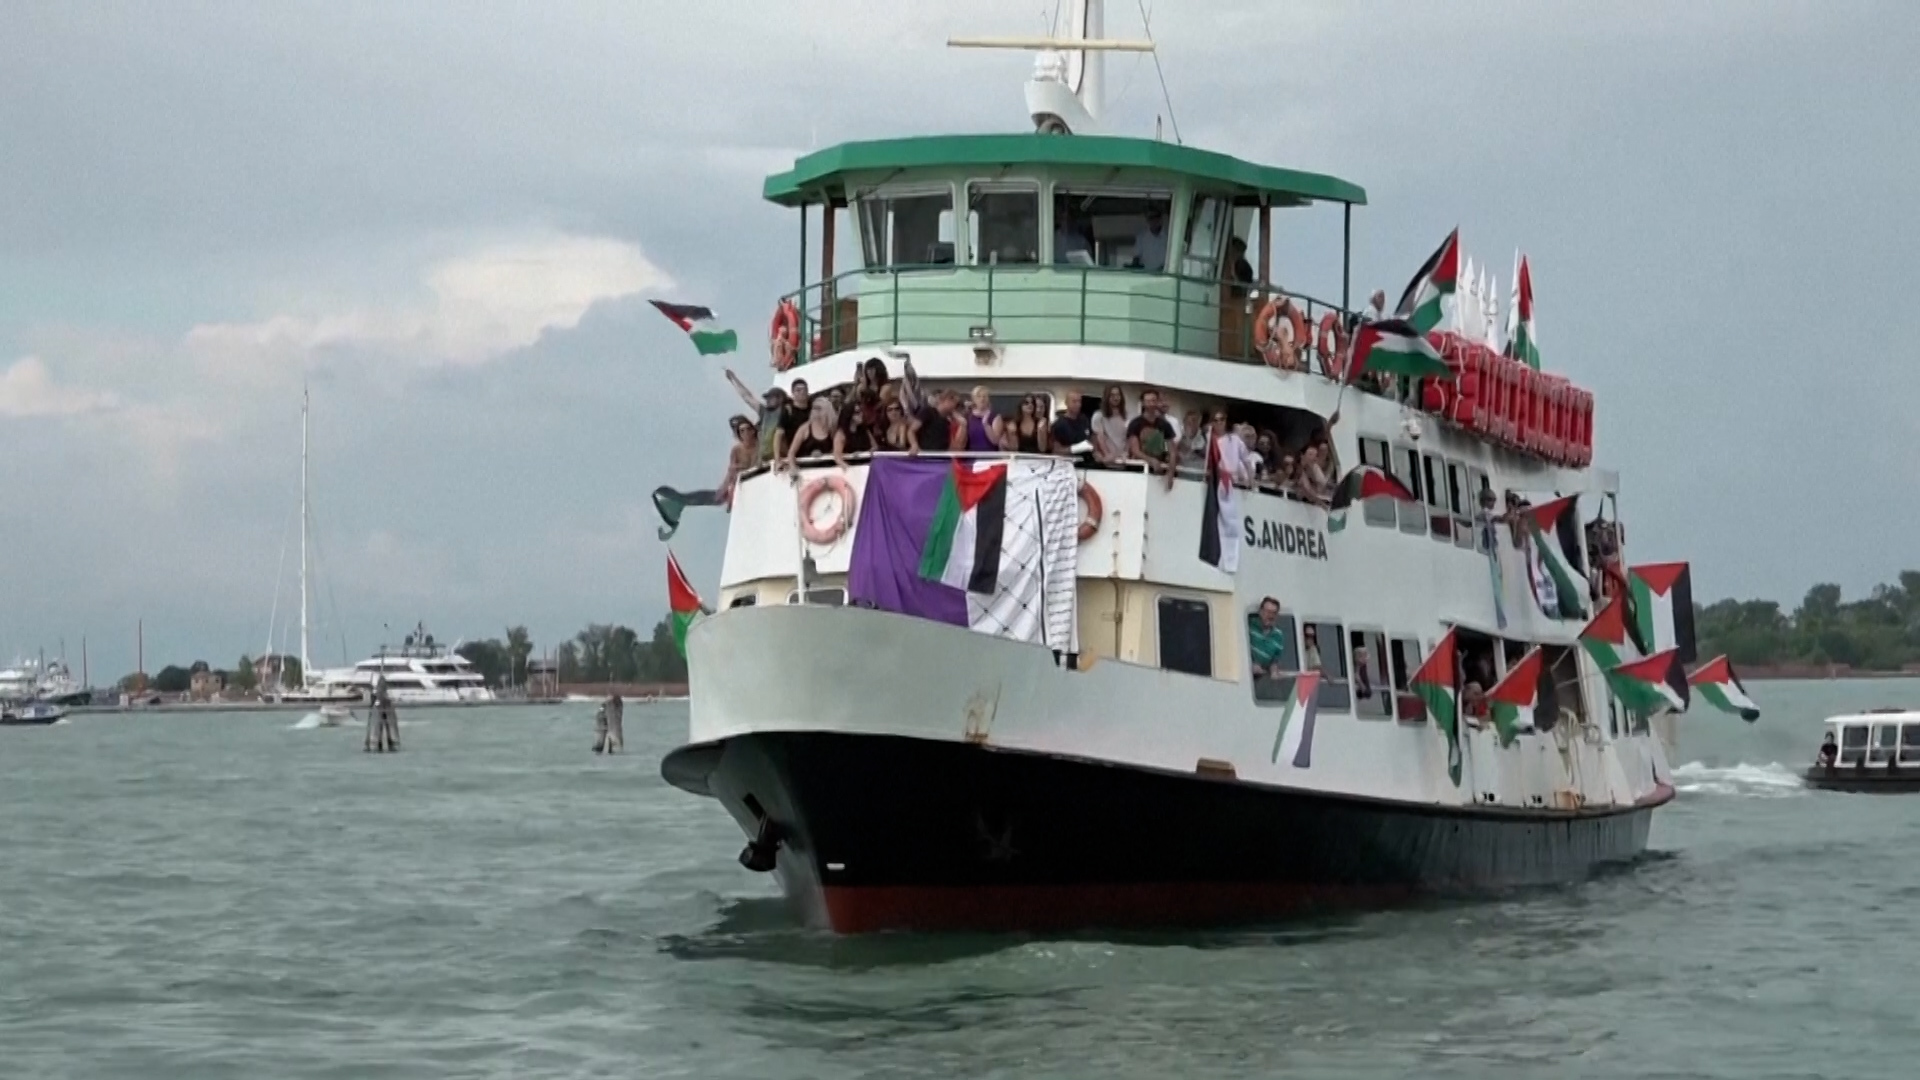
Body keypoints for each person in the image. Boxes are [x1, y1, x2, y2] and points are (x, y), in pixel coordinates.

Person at [724, 369, 788, 462]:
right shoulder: (764, 412)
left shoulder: (787, 412)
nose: (767, 400)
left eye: (770, 398)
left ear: (780, 398)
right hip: (765, 459)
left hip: (782, 457)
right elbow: (747, 397)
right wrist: (734, 379)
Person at [1126, 388, 1179, 489]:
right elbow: (1135, 450)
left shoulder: (1165, 425)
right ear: (1143, 403)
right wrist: (1151, 460)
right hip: (1139, 471)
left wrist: (1171, 473)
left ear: (1157, 402)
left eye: (1153, 401)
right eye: (1148, 401)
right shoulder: (1135, 423)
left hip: (1159, 473)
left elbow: (1172, 451)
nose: (1151, 404)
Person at [778, 398, 839, 471]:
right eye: (814, 408)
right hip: (806, 469)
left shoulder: (831, 428)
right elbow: (791, 452)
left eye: (819, 408)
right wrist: (793, 467)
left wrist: (825, 454)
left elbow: (836, 449)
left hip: (827, 468)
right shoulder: (804, 428)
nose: (815, 411)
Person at [1248, 597, 1289, 692]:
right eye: (1267, 612)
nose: (1270, 616)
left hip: (1261, 683)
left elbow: (1275, 659)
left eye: (1273, 613)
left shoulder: (1278, 636)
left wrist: (1274, 671)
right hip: (1246, 677)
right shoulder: (1249, 625)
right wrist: (1251, 664)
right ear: (1260, 611)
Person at [910, 389, 958, 454]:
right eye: (953, 401)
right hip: (925, 455)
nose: (954, 405)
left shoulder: (951, 419)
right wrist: (914, 445)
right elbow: (911, 430)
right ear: (944, 400)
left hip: (943, 456)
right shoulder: (927, 412)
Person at [1091, 385, 1131, 464]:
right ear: (1107, 397)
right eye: (1112, 395)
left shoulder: (1127, 416)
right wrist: (1107, 454)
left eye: (1118, 395)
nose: (1115, 398)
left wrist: (1126, 452)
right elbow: (1099, 437)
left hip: (1123, 460)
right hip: (1106, 459)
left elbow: (1128, 437)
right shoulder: (1098, 416)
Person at [1050, 391, 1094, 461]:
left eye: (1079, 401)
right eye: (1074, 401)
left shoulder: (1084, 419)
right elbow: (1056, 451)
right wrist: (1076, 448)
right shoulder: (1059, 424)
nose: (1078, 404)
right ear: (1066, 403)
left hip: (1087, 462)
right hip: (1070, 463)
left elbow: (1091, 437)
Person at [964, 386, 1003, 452]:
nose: (982, 399)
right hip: (972, 454)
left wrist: (985, 424)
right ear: (974, 399)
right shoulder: (968, 416)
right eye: (978, 396)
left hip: (990, 455)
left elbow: (995, 441)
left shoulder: (995, 417)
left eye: (984, 396)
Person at [1132, 205, 1169, 272]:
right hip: (1146, 274)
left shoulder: (1169, 236)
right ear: (1147, 220)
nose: (1154, 220)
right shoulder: (1141, 237)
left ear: (1161, 219)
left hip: (1165, 274)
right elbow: (1136, 256)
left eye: (1156, 217)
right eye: (1151, 218)